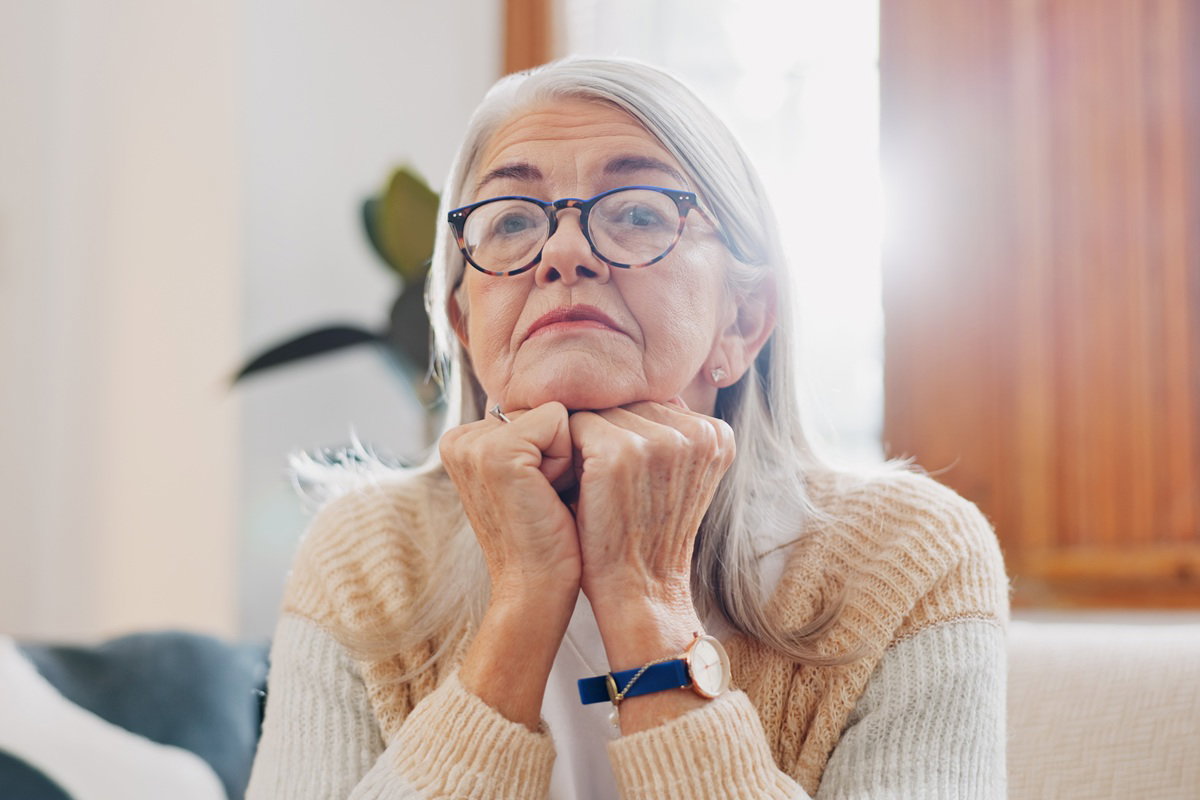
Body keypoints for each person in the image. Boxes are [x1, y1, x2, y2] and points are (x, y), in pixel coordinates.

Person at [246, 57, 1008, 799]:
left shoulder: (909, 555)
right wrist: (522, 606)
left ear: (742, 320)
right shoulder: (366, 554)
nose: (564, 252)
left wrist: (647, 604)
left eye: (639, 212)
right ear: (467, 327)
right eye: (512, 220)